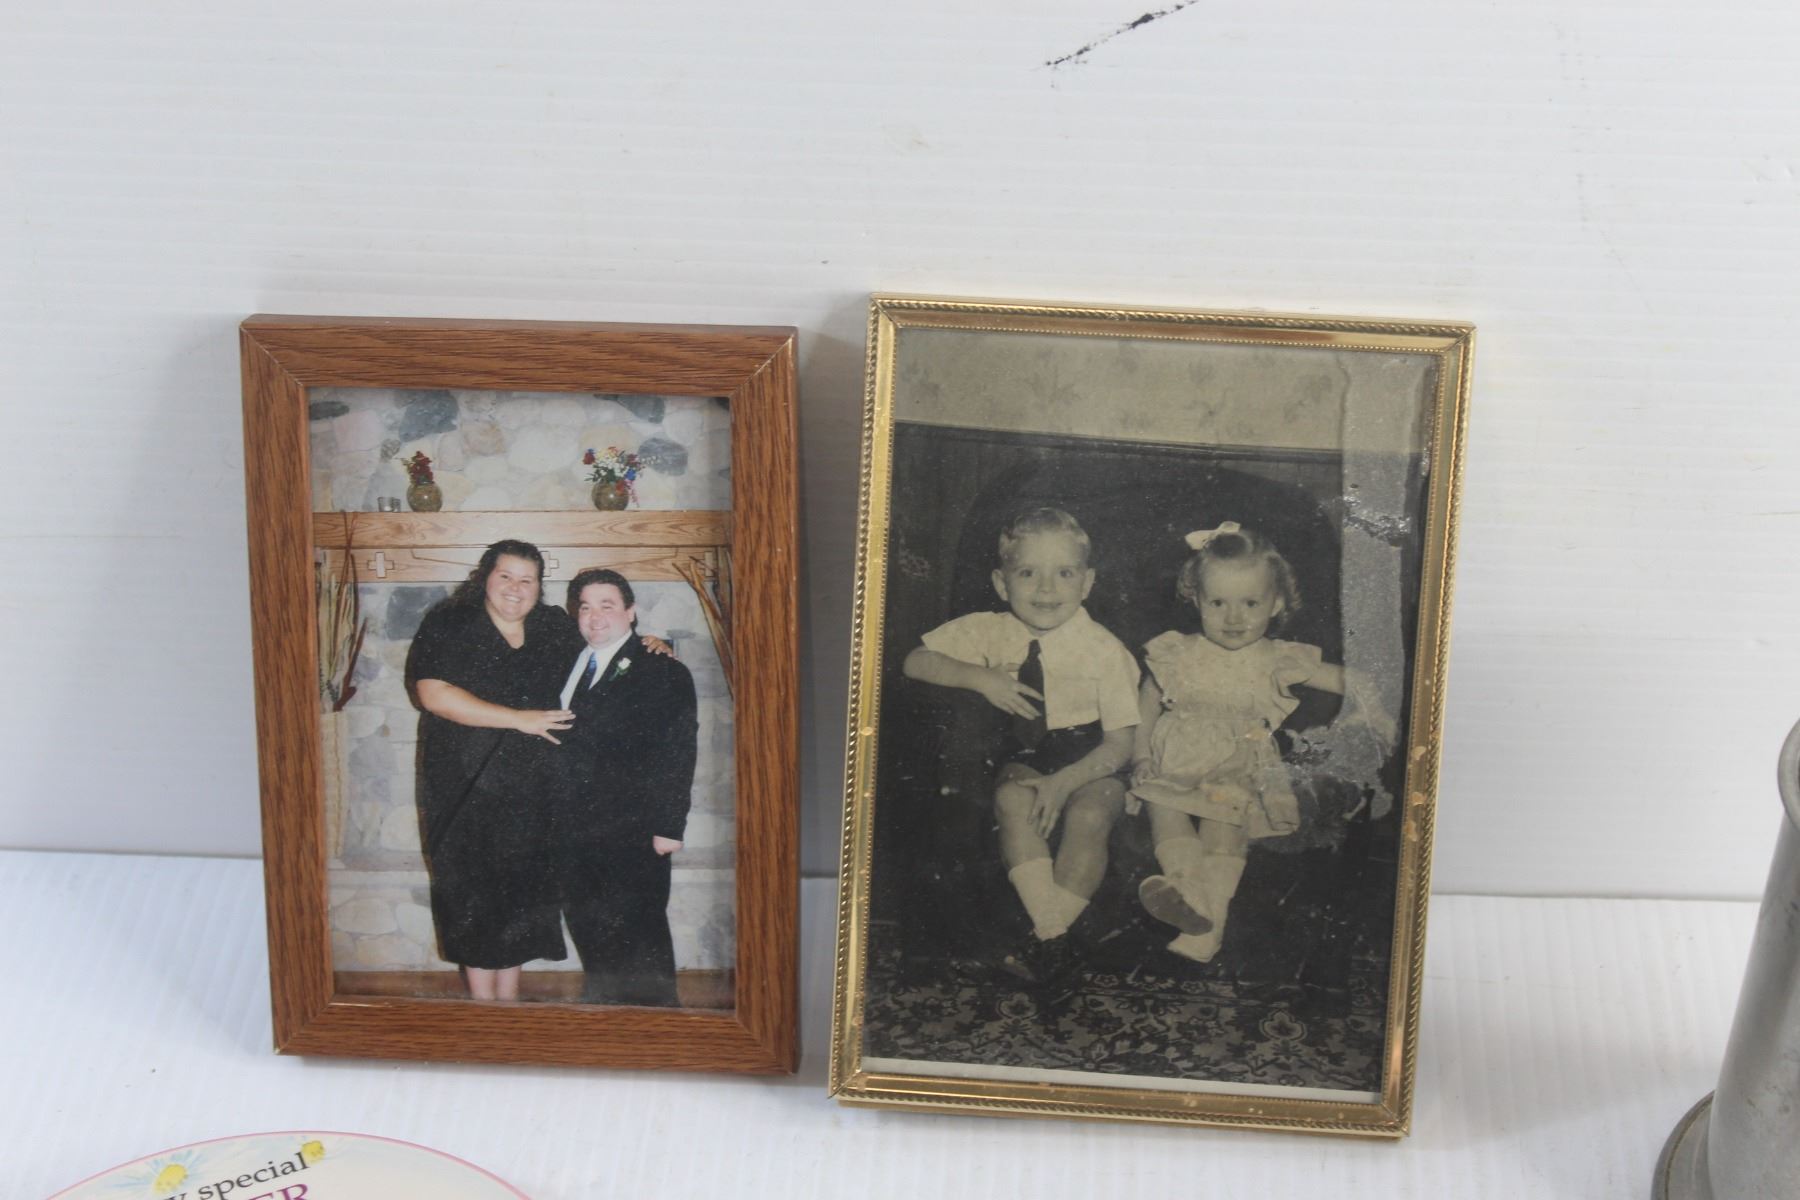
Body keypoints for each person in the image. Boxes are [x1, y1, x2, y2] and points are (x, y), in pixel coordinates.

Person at [406, 540, 670, 1001]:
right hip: (463, 787)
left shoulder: (551, 625)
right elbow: (433, 694)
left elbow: (603, 647)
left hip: (532, 790)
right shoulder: (450, 621)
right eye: (506, 575)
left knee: (518, 895)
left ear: (539, 587)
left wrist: (648, 643)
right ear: (485, 577)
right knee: (472, 894)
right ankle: (483, 1007)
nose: (516, 587)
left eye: (527, 579)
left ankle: (507, 1003)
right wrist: (519, 719)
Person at [1131, 522, 1392, 963]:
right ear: (1196, 599)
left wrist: (1374, 710)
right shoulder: (1178, 651)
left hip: (1238, 763)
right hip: (1174, 759)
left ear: (1276, 603)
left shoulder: (1277, 657)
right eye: (1218, 603)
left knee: (1224, 831)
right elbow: (1149, 697)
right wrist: (1140, 754)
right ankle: (1190, 895)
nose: (1233, 618)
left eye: (1250, 603)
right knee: (1163, 810)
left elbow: (1352, 680)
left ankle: (1203, 922)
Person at [901, 507, 1140, 986]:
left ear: (1087, 583)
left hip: (1094, 759)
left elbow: (1121, 743)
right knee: (1012, 799)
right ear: (1001, 582)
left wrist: (1065, 782)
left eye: (1064, 573)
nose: (1046, 589)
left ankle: (1043, 942)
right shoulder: (990, 628)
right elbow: (915, 661)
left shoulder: (1105, 650)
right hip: (1031, 753)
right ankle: (1053, 940)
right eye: (1028, 573)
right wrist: (980, 677)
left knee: (1090, 815)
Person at [552, 568, 698, 1007]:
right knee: (590, 932)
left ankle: (656, 1029)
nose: (595, 616)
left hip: (633, 831)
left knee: (640, 936)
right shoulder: (568, 660)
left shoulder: (663, 670)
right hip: (574, 830)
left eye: (607, 605)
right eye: (585, 607)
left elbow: (677, 753)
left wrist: (669, 827)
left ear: (631, 612)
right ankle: (606, 1025)